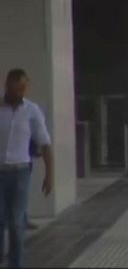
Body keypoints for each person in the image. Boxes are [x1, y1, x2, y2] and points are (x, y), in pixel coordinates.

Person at [0, 69, 52, 268]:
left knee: (16, 222)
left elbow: (45, 144)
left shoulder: (32, 110)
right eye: (17, 88)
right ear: (7, 86)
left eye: (23, 88)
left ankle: (16, 264)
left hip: (20, 173)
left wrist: (49, 175)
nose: (20, 92)